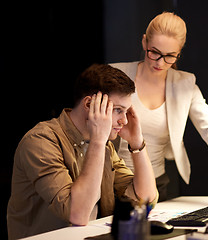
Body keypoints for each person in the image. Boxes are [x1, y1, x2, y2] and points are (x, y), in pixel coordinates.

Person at [7, 64, 158, 239]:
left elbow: (145, 199)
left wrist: (136, 142)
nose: (124, 120)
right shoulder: (40, 141)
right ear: (89, 104)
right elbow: (77, 214)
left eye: (126, 111)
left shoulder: (105, 146)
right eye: (118, 110)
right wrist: (98, 141)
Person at [110, 12, 208, 201]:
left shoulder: (185, 85)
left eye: (170, 56)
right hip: (112, 183)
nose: (160, 63)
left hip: (155, 185)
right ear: (144, 42)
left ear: (179, 53)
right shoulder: (115, 74)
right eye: (154, 52)